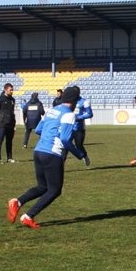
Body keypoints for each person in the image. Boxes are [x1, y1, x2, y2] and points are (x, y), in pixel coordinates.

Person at [6, 87, 88, 229]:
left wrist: (50, 133)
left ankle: (17, 202)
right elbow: (65, 139)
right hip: (52, 153)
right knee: (54, 190)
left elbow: (38, 129)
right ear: (74, 101)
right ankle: (28, 216)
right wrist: (79, 154)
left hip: (38, 151)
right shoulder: (69, 115)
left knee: (43, 187)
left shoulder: (51, 110)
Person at [0, 82, 17, 164]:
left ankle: (9, 158)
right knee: (0, 140)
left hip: (10, 124)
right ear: (5, 90)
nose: (12, 91)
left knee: (9, 141)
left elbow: (12, 112)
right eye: (10, 90)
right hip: (2, 124)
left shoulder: (12, 100)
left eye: (12, 90)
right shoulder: (0, 100)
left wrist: (14, 124)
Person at [71, 87, 93, 167]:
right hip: (69, 127)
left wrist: (78, 117)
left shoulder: (84, 102)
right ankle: (61, 163)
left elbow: (90, 114)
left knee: (79, 145)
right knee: (64, 145)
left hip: (79, 128)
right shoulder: (69, 101)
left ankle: (85, 156)